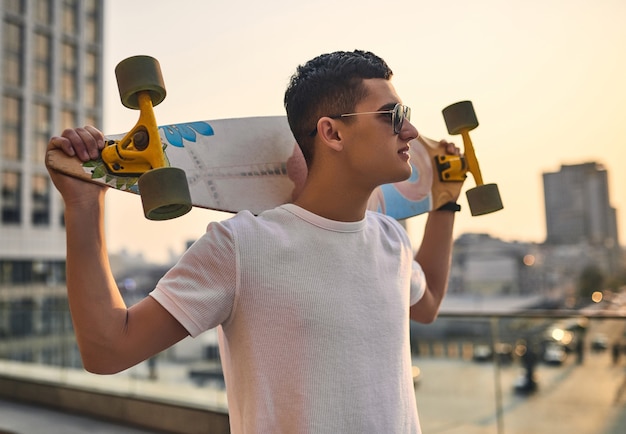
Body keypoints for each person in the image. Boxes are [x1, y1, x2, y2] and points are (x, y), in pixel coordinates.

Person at [47, 50, 461, 433]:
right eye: (392, 115)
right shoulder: (241, 247)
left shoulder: (392, 241)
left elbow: (427, 305)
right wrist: (84, 207)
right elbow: (107, 349)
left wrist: (446, 203)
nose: (410, 129)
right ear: (332, 134)